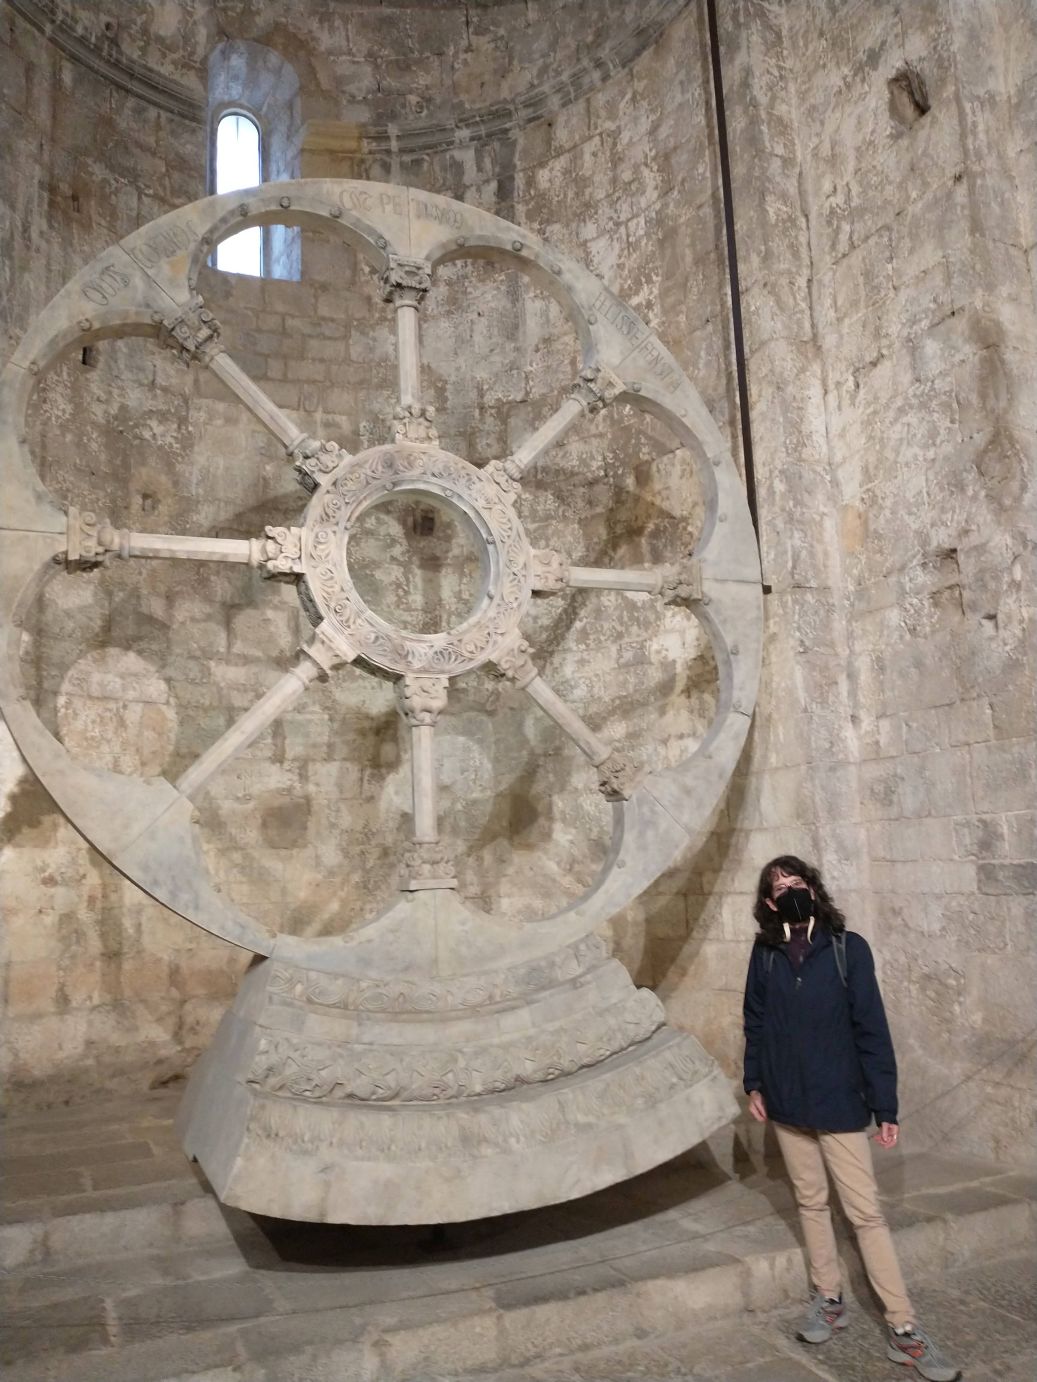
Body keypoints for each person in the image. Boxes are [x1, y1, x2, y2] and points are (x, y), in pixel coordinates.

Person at [742, 855, 961, 1382]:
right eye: (780, 888)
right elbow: (756, 1020)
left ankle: (904, 1328)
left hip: (839, 1101)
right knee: (810, 1202)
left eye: (798, 882)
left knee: (865, 1214)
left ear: (813, 889)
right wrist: (755, 1082)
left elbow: (871, 1028)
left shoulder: (847, 948)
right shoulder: (766, 953)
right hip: (787, 1101)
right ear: (769, 902)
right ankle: (829, 1298)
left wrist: (885, 1104)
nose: (791, 892)